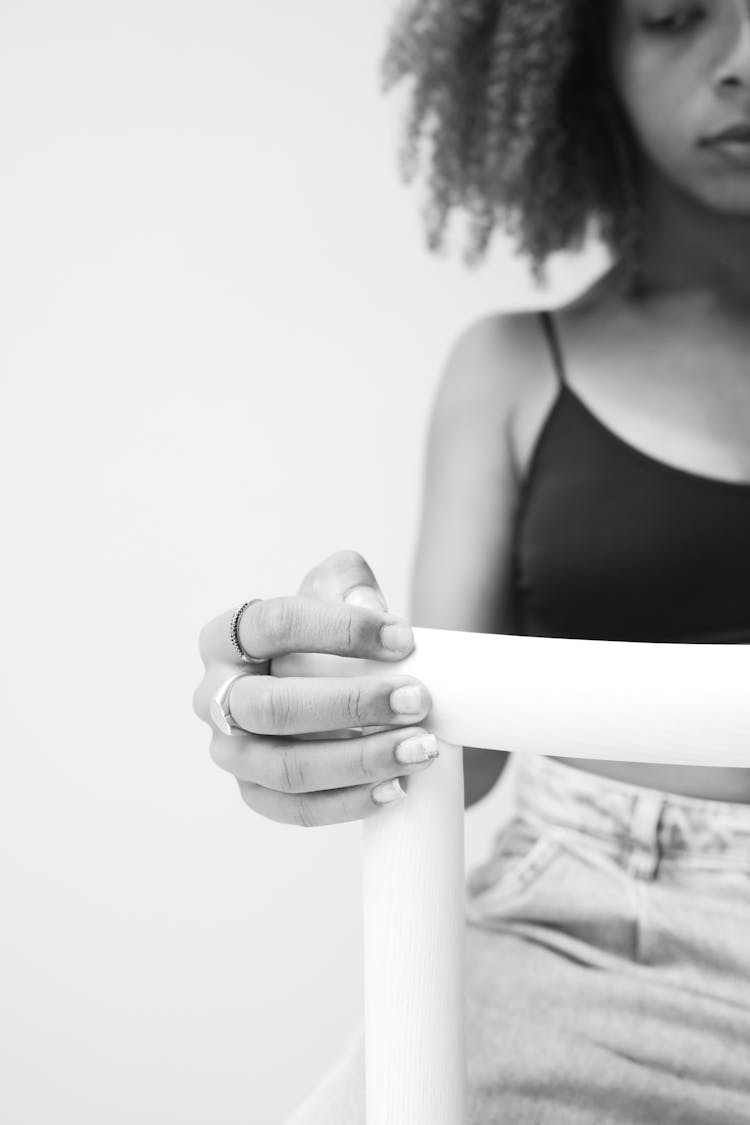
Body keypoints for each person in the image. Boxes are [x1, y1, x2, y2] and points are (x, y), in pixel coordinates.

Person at [192, 0, 750, 1120]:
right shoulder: (511, 371)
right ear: (581, 56)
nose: (744, 65)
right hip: (589, 929)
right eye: (676, 15)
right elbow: (455, 746)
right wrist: (323, 688)